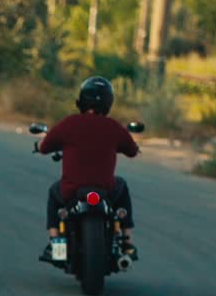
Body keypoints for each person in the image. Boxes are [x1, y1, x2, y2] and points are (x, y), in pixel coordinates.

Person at [35, 76, 140, 262]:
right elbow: (132, 151)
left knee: (53, 192)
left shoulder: (69, 123)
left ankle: (55, 244)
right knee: (122, 186)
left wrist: (39, 145)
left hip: (71, 191)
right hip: (105, 190)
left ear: (81, 100)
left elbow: (44, 147)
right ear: (109, 102)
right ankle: (127, 242)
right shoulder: (114, 127)